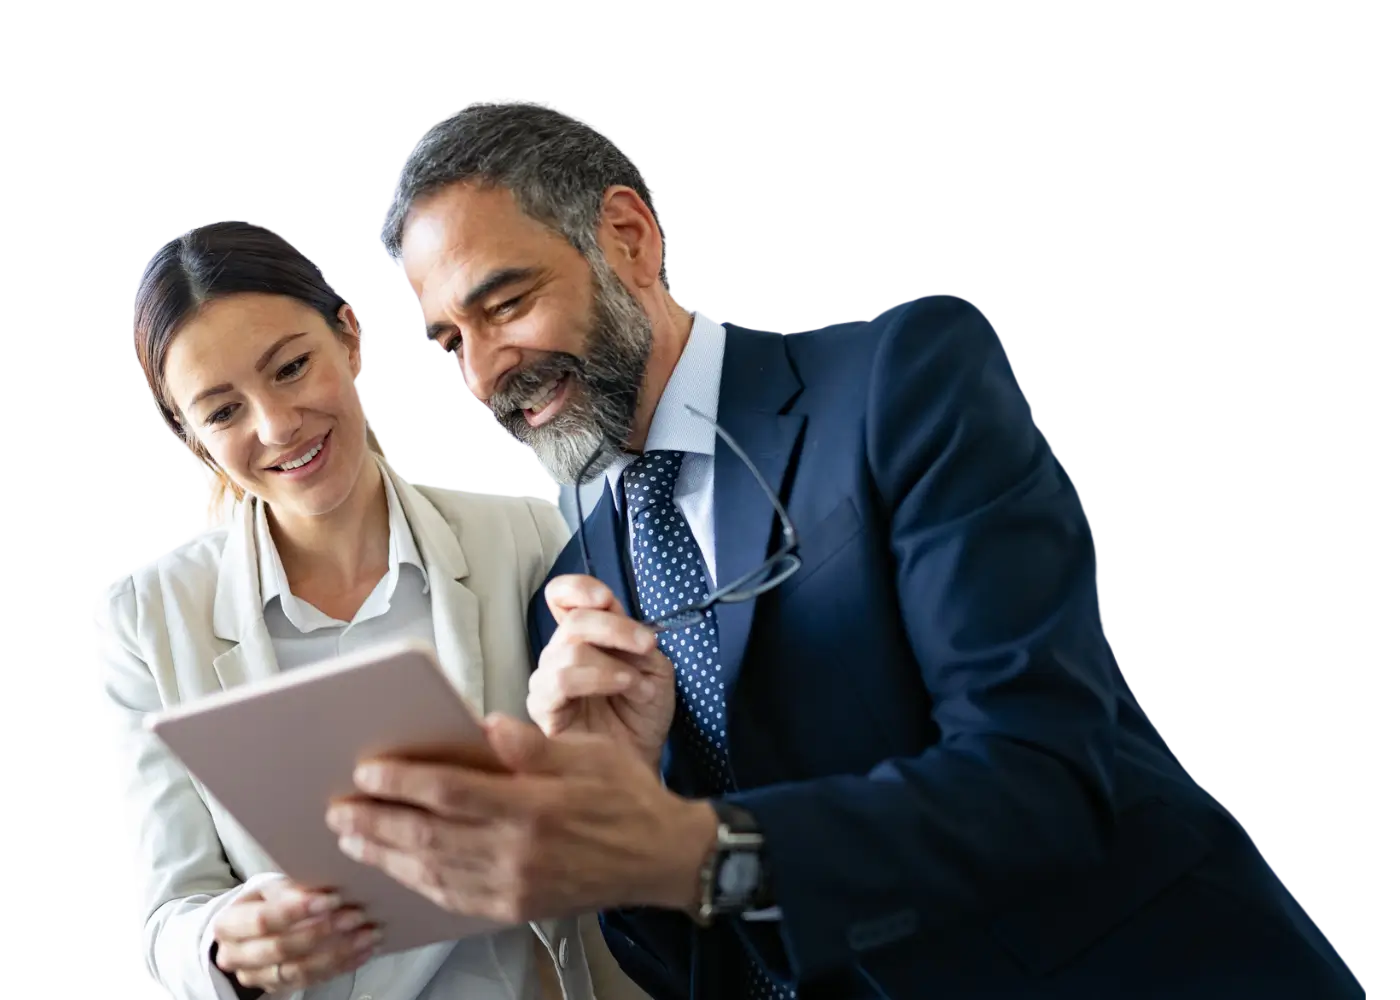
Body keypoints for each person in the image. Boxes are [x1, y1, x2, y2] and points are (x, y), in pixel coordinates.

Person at [329, 101, 1364, 999]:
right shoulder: (572, 585)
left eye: (504, 304)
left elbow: (1045, 772)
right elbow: (701, 963)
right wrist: (616, 806)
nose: (480, 376)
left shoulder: (899, 382)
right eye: (448, 341)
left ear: (628, 238)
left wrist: (698, 844)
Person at [100, 219, 649, 1000]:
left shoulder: (520, 533)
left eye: (291, 367)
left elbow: (616, 792)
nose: (276, 426)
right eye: (222, 412)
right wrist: (227, 944)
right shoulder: (149, 619)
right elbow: (168, 918)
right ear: (189, 434)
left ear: (351, 340)